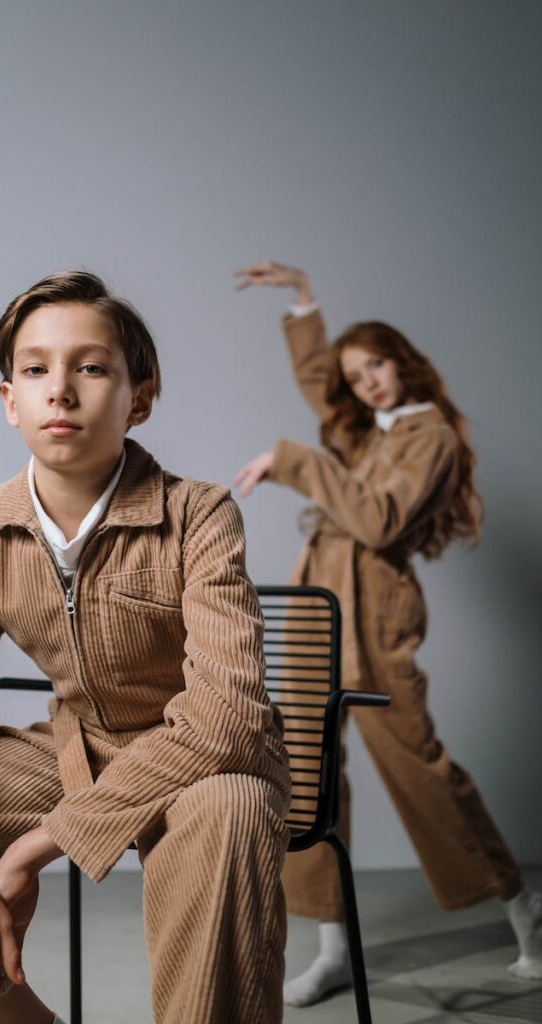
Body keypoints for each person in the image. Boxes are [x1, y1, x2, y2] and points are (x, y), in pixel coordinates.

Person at [0, 270, 291, 1024]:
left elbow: (226, 719)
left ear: (140, 397)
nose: (59, 390)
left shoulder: (199, 513)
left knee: (232, 804)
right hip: (76, 749)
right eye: (35, 370)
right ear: (10, 401)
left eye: (90, 367)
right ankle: (13, 1019)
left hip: (201, 762)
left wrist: (41, 845)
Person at [232, 260, 542, 1007]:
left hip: (371, 613)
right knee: (303, 770)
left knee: (417, 764)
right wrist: (305, 304)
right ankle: (331, 945)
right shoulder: (366, 432)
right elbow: (320, 388)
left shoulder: (427, 436)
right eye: (356, 373)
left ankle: (521, 908)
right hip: (317, 603)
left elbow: (377, 519)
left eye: (375, 365)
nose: (367, 382)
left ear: (400, 362)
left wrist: (293, 462)